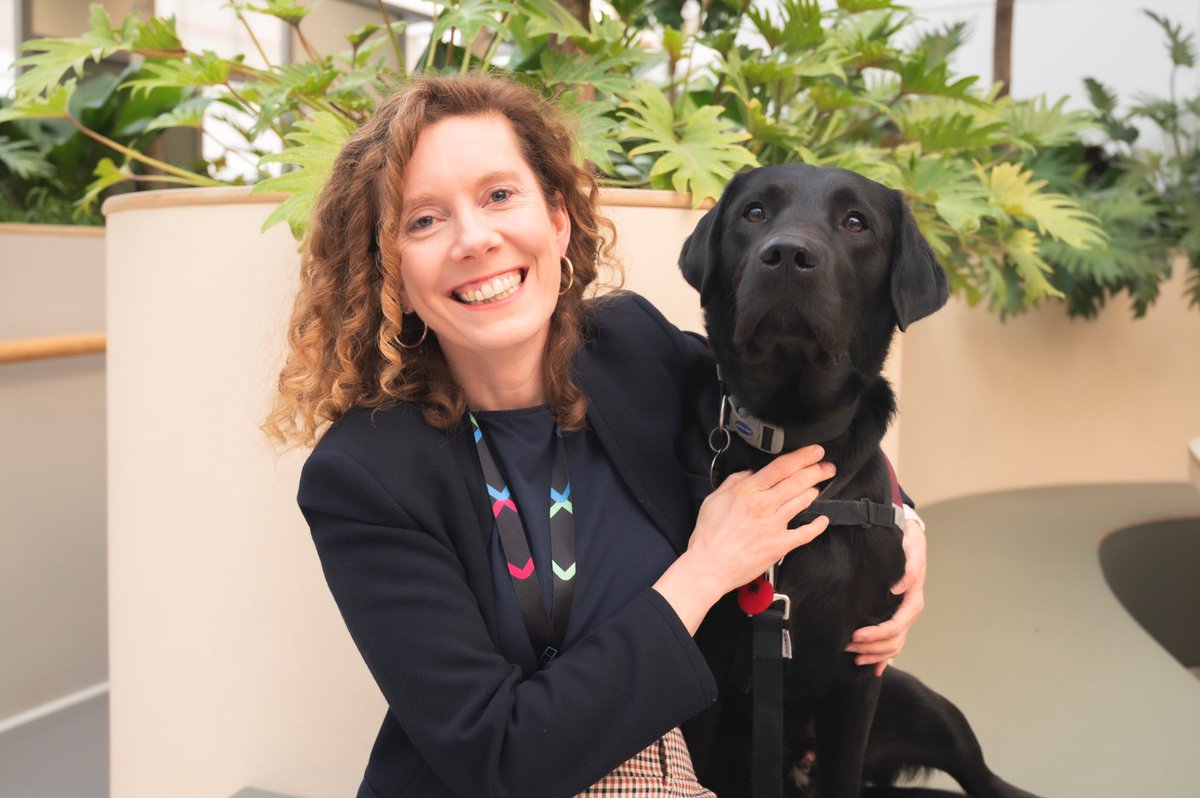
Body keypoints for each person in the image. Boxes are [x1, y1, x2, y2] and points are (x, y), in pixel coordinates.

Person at [264, 73, 926, 798]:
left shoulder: (633, 349)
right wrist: (704, 571)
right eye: (424, 220)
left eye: (498, 196)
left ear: (557, 220)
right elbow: (499, 758)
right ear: (388, 266)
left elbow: (800, 410)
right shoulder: (365, 477)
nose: (475, 239)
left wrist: (898, 517)